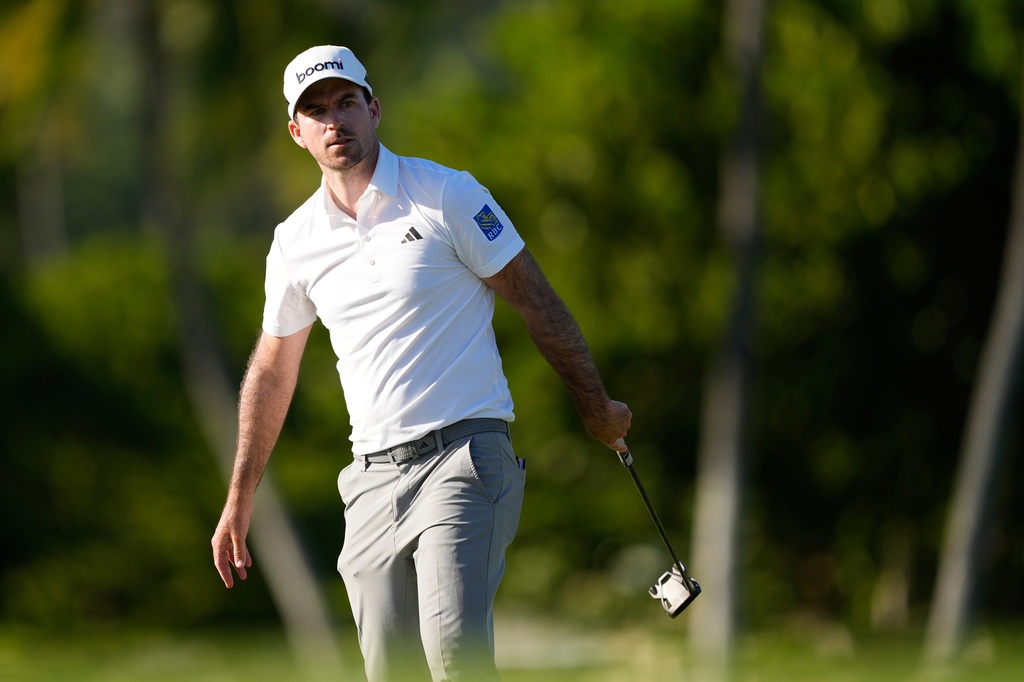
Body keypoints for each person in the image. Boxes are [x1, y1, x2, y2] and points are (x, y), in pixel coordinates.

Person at [211, 45, 632, 682]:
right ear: (297, 132)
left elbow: (536, 301)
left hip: (465, 456)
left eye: (346, 102)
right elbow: (273, 371)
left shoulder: (446, 195)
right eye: (317, 111)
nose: (335, 120)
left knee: (455, 658)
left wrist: (596, 408)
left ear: (374, 109)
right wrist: (239, 497)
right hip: (371, 479)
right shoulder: (294, 242)